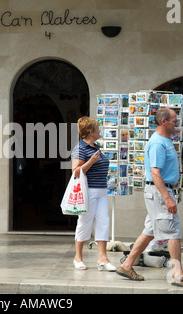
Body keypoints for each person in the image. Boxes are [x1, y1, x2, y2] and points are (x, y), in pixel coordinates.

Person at [116, 108, 183, 288]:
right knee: (173, 231)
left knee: (150, 231)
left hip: (162, 192)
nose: (176, 124)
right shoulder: (157, 143)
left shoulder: (165, 141)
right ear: (164, 122)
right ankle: (178, 275)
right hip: (160, 192)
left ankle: (126, 265)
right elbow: (155, 173)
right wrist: (167, 198)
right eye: (174, 121)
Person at [71, 116, 116, 271]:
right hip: (88, 191)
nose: (99, 131)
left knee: (103, 222)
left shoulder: (96, 146)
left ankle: (102, 258)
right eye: (98, 129)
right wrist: (90, 162)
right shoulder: (80, 148)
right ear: (91, 132)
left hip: (101, 190)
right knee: (85, 222)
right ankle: (78, 258)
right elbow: (75, 172)